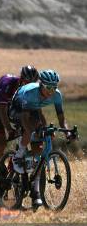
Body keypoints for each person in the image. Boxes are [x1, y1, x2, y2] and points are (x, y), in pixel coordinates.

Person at [9, 69, 73, 207]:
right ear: (41, 85)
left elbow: (62, 119)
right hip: (17, 109)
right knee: (30, 129)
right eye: (48, 87)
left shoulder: (57, 95)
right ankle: (18, 155)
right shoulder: (30, 92)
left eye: (54, 87)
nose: (51, 91)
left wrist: (67, 132)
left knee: (38, 149)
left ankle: (36, 192)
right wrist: (33, 130)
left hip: (33, 109)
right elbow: (25, 119)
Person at [0, 65, 39, 202]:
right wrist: (9, 129)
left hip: (12, 110)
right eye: (27, 83)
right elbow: (2, 111)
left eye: (33, 84)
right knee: (0, 144)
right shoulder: (8, 84)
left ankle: (15, 163)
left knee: (27, 131)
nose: (30, 86)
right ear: (21, 79)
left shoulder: (31, 92)